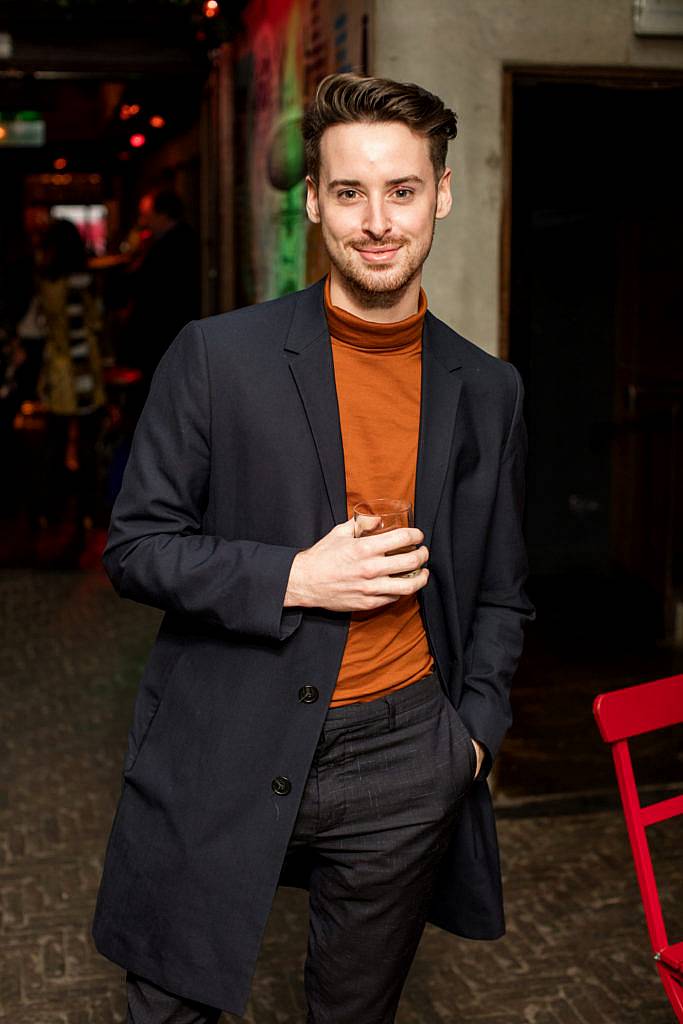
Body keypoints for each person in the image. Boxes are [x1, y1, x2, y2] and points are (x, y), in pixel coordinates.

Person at [93, 73, 534, 1024]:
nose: (377, 222)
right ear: (312, 201)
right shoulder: (217, 356)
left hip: (404, 753)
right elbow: (136, 547)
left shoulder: (487, 389)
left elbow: (501, 591)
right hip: (225, 730)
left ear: (441, 193)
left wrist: (467, 745)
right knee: (169, 1004)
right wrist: (292, 576)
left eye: (402, 190)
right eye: (348, 192)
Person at [34, 218, 106, 549]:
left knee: (54, 442)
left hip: (56, 367)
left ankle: (48, 509)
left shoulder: (46, 278)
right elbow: (86, 326)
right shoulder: (81, 279)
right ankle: (88, 511)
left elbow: (43, 324)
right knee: (87, 444)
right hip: (81, 370)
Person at [120, 189, 200, 387]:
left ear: (162, 214)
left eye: (148, 216)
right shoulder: (164, 242)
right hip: (165, 330)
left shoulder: (173, 244)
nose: (144, 222)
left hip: (166, 330)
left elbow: (147, 286)